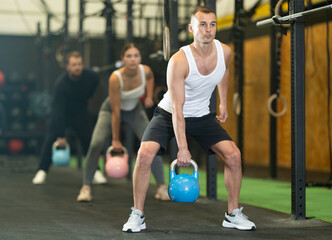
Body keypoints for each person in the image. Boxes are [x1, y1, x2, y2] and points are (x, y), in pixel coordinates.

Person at [122, 6, 256, 233]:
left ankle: (232, 214)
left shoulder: (225, 52)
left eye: (212, 24)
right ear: (191, 28)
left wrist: (222, 101)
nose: (208, 30)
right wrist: (182, 149)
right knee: (144, 155)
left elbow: (224, 72)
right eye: (202, 25)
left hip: (202, 115)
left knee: (234, 156)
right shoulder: (179, 61)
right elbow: (177, 107)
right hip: (169, 114)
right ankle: (138, 214)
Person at [76, 43, 170, 202]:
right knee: (95, 144)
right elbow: (116, 111)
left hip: (135, 109)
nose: (133, 59)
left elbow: (150, 78)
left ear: (140, 58)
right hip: (111, 110)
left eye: (136, 56)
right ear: (123, 59)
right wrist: (115, 139)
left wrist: (148, 95)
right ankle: (86, 187)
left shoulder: (145, 70)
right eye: (129, 56)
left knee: (152, 145)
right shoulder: (115, 78)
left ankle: (161, 187)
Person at [32, 51, 106, 185]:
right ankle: (42, 171)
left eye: (79, 64)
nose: (77, 67)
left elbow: (95, 83)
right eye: (74, 65)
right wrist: (61, 135)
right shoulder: (61, 84)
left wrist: (87, 98)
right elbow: (59, 110)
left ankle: (95, 171)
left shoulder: (91, 76)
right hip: (62, 113)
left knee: (88, 141)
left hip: (80, 112)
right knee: (50, 140)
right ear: (68, 67)